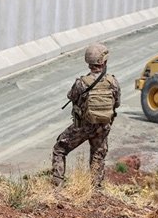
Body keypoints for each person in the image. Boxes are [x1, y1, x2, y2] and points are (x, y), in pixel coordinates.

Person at [51, 43, 120, 188]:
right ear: (104, 61)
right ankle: (96, 189)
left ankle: (57, 186)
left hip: (83, 126)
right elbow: (117, 103)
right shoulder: (112, 82)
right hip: (103, 127)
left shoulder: (81, 83)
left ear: (88, 62)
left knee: (59, 149)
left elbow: (71, 96)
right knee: (98, 156)